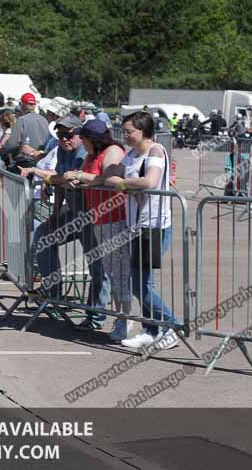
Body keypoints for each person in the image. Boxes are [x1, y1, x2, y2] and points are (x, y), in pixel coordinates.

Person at [21, 115, 111, 332]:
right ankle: (54, 294)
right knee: (43, 236)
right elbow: (62, 180)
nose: (63, 139)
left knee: (98, 268)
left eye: (68, 135)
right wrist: (54, 213)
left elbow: (67, 179)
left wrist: (49, 177)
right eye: (60, 135)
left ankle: (96, 317)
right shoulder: (62, 150)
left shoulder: (83, 152)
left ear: (80, 135)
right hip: (72, 213)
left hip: (93, 217)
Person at [100, 111, 178, 349]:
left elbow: (150, 182)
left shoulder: (155, 151)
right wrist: (86, 177)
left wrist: (121, 184)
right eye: (124, 131)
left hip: (153, 226)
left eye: (129, 131)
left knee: (140, 284)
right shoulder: (132, 154)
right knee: (142, 282)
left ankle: (172, 326)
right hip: (135, 226)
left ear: (143, 131)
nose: (125, 136)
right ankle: (151, 329)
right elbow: (110, 175)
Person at [60, 120, 131, 342]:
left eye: (84, 137)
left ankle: (125, 320)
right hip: (100, 217)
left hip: (115, 216)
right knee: (111, 271)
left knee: (120, 274)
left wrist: (80, 177)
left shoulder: (112, 151)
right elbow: (93, 179)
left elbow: (107, 179)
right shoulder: (92, 155)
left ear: (93, 138)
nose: (80, 140)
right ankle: (120, 318)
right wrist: (78, 180)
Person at [0, 92, 50, 172]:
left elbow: (12, 144)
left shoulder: (22, 120)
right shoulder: (44, 120)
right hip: (41, 162)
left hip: (24, 164)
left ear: (22, 104)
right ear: (34, 105)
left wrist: (1, 152)